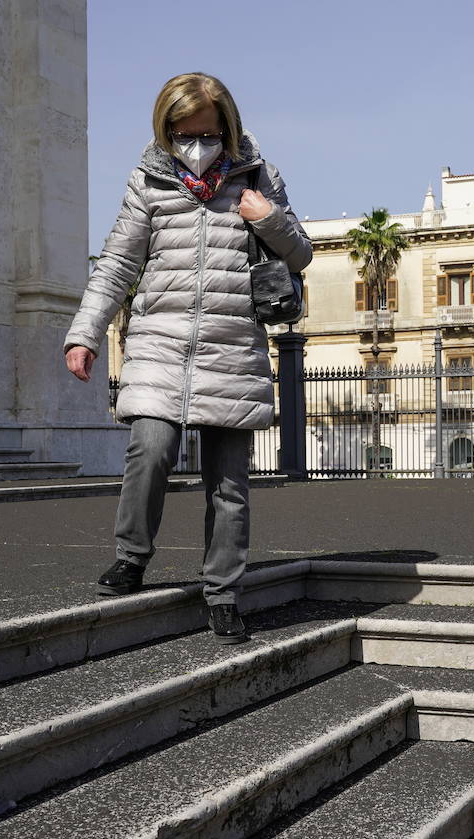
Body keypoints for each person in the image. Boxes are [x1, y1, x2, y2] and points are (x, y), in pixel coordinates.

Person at [63, 72, 312, 644]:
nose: (194, 146)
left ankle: (223, 593)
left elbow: (300, 253)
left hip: (231, 341)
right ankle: (131, 556)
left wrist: (266, 219)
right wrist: (86, 333)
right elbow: (118, 264)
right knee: (149, 449)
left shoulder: (258, 175)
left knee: (228, 482)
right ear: (166, 130)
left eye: (204, 134)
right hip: (159, 338)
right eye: (182, 134)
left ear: (226, 127)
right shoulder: (149, 179)